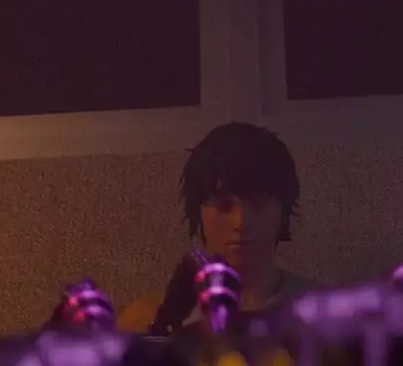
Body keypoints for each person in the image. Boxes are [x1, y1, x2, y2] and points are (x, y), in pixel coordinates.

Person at [117, 122, 322, 334]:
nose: (240, 223)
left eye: (258, 203)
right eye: (223, 206)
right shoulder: (148, 318)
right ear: (199, 212)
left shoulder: (323, 314)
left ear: (283, 211)